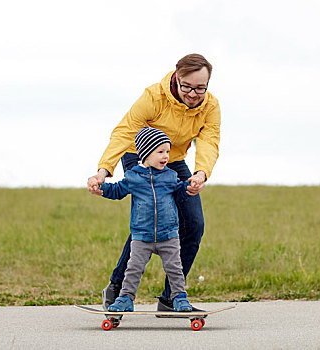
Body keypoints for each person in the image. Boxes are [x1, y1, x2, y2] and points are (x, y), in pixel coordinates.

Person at [87, 53, 220, 312]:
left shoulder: (210, 106)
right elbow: (125, 131)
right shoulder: (153, 97)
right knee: (148, 220)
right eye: (188, 87)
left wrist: (201, 174)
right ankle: (117, 288)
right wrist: (104, 171)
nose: (194, 94)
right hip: (140, 156)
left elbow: (209, 140)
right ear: (177, 78)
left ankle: (173, 297)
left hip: (174, 159)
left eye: (201, 88)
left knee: (194, 223)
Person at [101, 127, 193, 312]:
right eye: (160, 152)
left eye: (167, 151)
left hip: (168, 235)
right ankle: (126, 298)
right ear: (145, 154)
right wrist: (101, 188)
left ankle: (179, 298)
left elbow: (179, 193)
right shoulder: (133, 177)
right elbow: (117, 191)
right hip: (142, 236)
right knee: (133, 269)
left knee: (175, 269)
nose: (166, 156)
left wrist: (189, 188)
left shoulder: (170, 175)